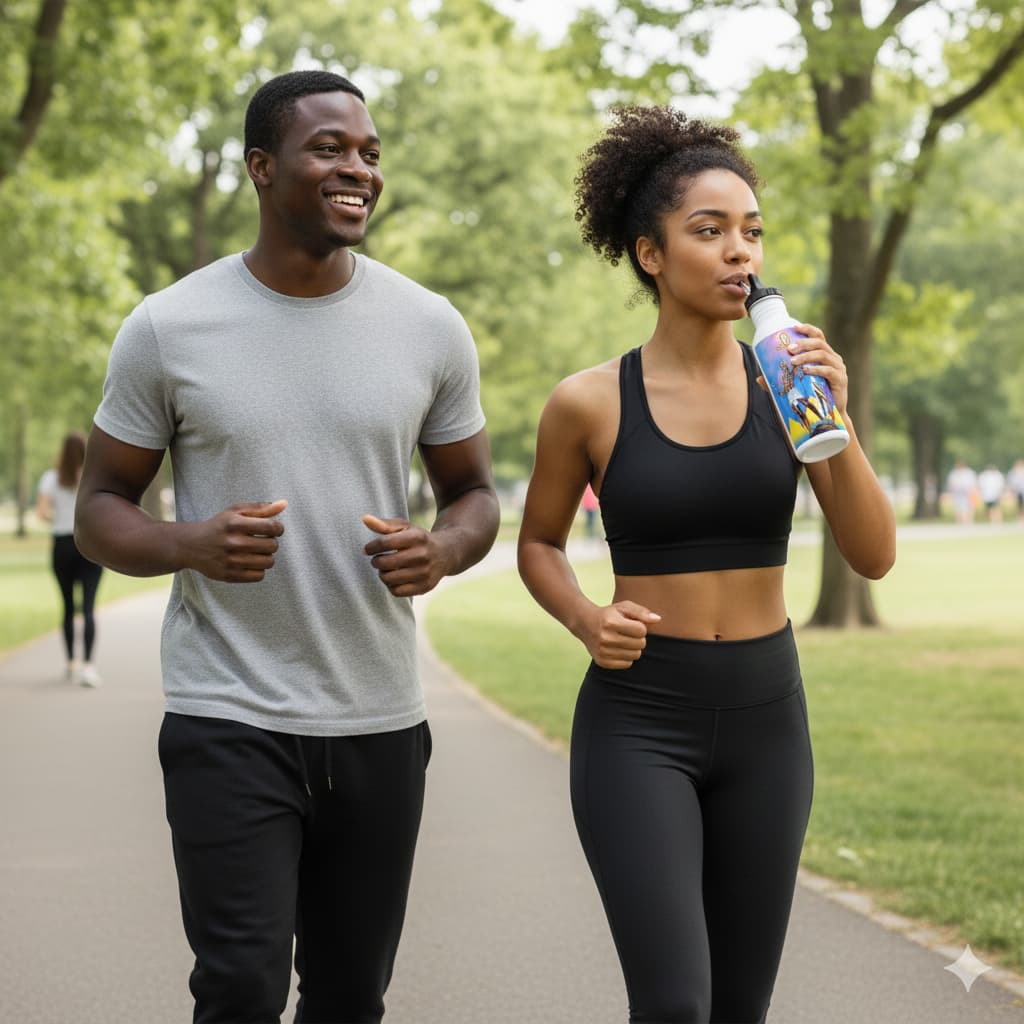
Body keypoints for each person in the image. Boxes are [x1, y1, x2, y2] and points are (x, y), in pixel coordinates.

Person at [75, 70, 499, 1024]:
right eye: (330, 149)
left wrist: (442, 550)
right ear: (263, 168)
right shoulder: (168, 327)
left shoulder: (429, 326)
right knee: (239, 984)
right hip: (228, 712)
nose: (358, 169)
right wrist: (189, 542)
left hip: (379, 716)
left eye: (369, 152)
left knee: (351, 995)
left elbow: (472, 494)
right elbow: (101, 507)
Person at [517, 106, 895, 1023]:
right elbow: (537, 544)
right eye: (710, 230)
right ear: (650, 253)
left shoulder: (791, 385)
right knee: (676, 1004)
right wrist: (583, 618)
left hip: (769, 717)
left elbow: (873, 554)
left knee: (738, 1009)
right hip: (641, 719)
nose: (740, 252)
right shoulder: (589, 402)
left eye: (752, 232)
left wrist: (832, 423)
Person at [36, 432, 104, 687]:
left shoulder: (51, 479)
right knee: (88, 608)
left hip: (62, 546)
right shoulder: (93, 477)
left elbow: (41, 513)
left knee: (66, 606)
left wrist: (60, 517)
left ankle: (70, 663)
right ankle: (88, 666)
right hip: (88, 544)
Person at [945, 459, 978, 524]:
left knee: (969, 507)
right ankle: (960, 522)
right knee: (958, 508)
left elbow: (973, 483)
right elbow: (951, 484)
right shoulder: (954, 473)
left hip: (968, 492)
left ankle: (968, 521)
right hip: (958, 492)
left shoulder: (969, 473)